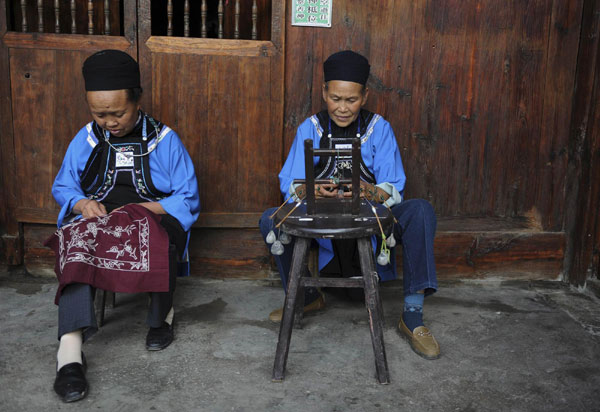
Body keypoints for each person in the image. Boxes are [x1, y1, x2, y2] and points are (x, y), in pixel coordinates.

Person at [259, 50, 440, 360]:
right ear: (325, 93)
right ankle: (307, 296)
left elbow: (393, 187)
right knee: (269, 219)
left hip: (368, 218)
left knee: (420, 210)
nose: (343, 108)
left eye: (352, 100)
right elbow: (290, 185)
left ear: (365, 96)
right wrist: (313, 189)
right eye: (336, 99)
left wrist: (368, 191)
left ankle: (412, 316)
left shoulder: (379, 128)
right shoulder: (311, 128)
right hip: (323, 220)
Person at [45, 50, 200, 402]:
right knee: (77, 242)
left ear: (137, 99)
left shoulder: (163, 139)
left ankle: (162, 317)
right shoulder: (86, 138)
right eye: (100, 114)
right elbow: (64, 185)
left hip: (152, 213)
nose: (109, 122)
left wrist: (140, 209)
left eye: (118, 112)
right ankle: (69, 353)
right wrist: (83, 203)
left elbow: (187, 196)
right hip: (99, 217)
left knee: (154, 236)